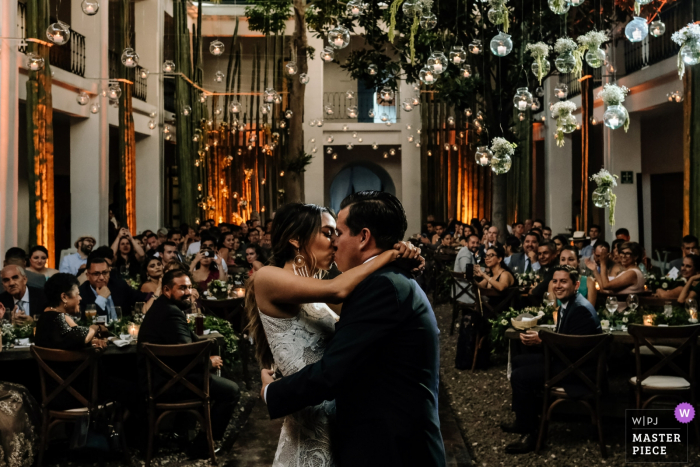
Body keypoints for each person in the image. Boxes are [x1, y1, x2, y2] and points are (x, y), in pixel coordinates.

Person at [257, 194, 445, 467]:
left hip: (383, 441)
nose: (334, 241)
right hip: (320, 421)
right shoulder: (272, 277)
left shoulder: (380, 285)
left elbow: (337, 362)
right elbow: (339, 289)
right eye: (327, 233)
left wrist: (271, 393)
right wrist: (391, 254)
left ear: (364, 236)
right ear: (296, 239)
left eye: (338, 232)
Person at [503, 266, 601, 454]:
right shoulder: (569, 303)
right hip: (569, 361)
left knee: (520, 376)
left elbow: (574, 350)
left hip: (579, 371)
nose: (557, 285)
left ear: (576, 285)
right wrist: (541, 340)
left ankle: (532, 434)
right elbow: (566, 340)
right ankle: (523, 421)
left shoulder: (581, 309)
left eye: (563, 281)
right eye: (555, 281)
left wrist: (542, 340)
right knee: (519, 361)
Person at [137, 270, 240, 446]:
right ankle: (204, 444)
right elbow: (185, 355)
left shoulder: (163, 306)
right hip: (167, 384)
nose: (188, 292)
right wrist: (208, 362)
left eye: (190, 287)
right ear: (167, 290)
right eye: (182, 288)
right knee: (231, 390)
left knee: (216, 380)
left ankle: (184, 432)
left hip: (161, 378)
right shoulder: (171, 312)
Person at [35, 273, 107, 351]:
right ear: (64, 297)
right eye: (77, 294)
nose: (80, 298)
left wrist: (92, 341)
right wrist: (96, 328)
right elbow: (82, 336)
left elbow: (67, 342)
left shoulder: (43, 317)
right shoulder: (59, 317)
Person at [79, 257, 146, 319]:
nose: (102, 278)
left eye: (105, 273)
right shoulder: (81, 294)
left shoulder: (119, 286)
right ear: (88, 276)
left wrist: (155, 296)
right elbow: (88, 321)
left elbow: (141, 297)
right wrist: (101, 298)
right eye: (96, 274)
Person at [453, 234, 480, 306]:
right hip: (464, 290)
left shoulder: (467, 251)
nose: (475, 245)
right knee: (487, 298)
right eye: (473, 242)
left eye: (477, 243)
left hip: (464, 288)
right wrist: (484, 270)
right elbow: (466, 269)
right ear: (467, 243)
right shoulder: (465, 253)